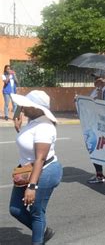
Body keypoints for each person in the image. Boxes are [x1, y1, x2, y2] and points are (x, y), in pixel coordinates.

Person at [9, 90, 62, 244]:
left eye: (27, 105)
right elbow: (29, 143)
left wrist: (31, 186)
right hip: (27, 170)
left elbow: (40, 158)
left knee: (36, 213)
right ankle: (43, 231)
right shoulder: (33, 121)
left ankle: (38, 240)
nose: (23, 108)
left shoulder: (45, 127)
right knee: (15, 209)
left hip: (44, 171)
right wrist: (19, 128)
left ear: (38, 108)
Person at [87, 77, 105, 184]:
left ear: (103, 81)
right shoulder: (96, 90)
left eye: (98, 81)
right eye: (95, 80)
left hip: (103, 125)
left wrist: (99, 96)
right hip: (94, 123)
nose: (96, 82)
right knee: (92, 148)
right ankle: (99, 175)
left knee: (102, 148)